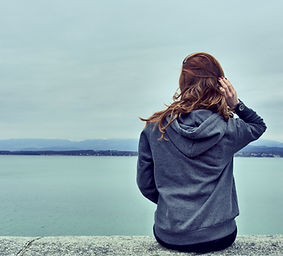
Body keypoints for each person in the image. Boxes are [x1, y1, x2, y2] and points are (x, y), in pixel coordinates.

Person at [136, 52, 267, 253]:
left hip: (170, 235)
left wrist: (172, 205)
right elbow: (257, 126)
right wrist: (236, 104)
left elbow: (145, 184)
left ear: (182, 83)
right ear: (219, 85)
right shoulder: (228, 129)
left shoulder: (155, 128)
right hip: (219, 236)